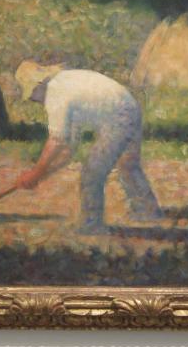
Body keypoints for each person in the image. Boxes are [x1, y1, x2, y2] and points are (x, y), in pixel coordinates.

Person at [14, 60, 163, 234]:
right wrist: (41, 175)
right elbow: (68, 148)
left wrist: (36, 172)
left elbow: (56, 140)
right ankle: (147, 210)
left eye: (32, 96)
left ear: (37, 87)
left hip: (117, 119)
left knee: (92, 172)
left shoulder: (56, 94)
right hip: (129, 107)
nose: (34, 100)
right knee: (128, 165)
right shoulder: (65, 84)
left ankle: (92, 224)